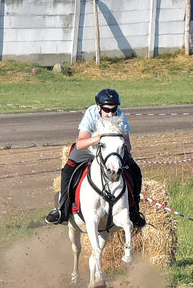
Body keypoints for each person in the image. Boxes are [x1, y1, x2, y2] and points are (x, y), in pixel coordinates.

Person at [45, 88, 146, 228]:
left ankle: (134, 211)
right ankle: (62, 210)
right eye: (106, 109)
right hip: (90, 148)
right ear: (99, 107)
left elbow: (128, 145)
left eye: (114, 109)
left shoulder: (120, 115)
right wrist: (99, 138)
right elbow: (80, 143)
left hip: (112, 150)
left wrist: (119, 143)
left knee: (135, 170)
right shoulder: (91, 114)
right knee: (68, 169)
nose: (110, 113)